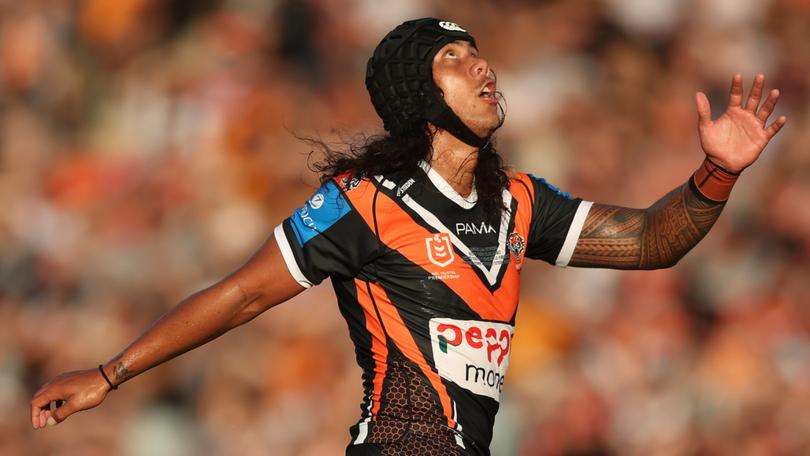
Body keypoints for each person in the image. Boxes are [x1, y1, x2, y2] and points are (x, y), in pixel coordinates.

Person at [30, 18, 786, 455]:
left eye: (478, 51)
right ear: (419, 95)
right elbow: (240, 296)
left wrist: (715, 173)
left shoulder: (521, 201)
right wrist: (112, 373)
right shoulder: (361, 202)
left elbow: (652, 240)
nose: (481, 64)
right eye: (453, 57)